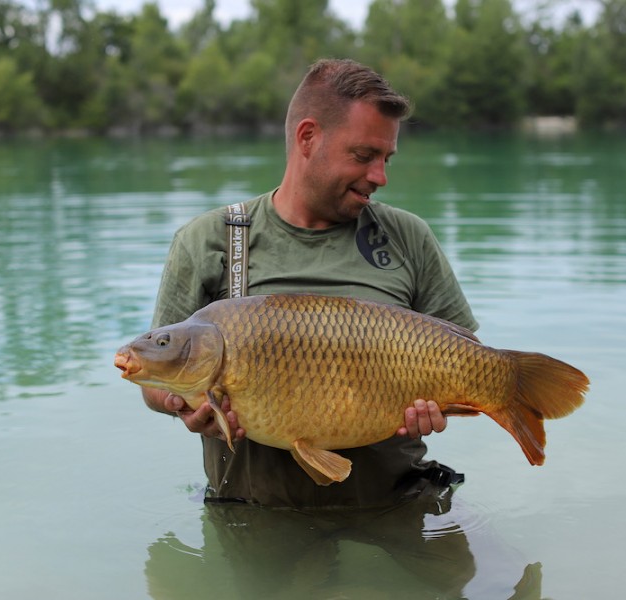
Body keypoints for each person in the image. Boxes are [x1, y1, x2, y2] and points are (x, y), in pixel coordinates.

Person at [141, 58, 478, 508]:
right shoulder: (210, 241)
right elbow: (155, 378)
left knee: (493, 578)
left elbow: (464, 356)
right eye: (363, 156)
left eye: (385, 158)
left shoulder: (406, 237)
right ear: (308, 138)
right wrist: (181, 406)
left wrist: (438, 406)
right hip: (256, 515)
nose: (380, 176)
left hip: (394, 505)